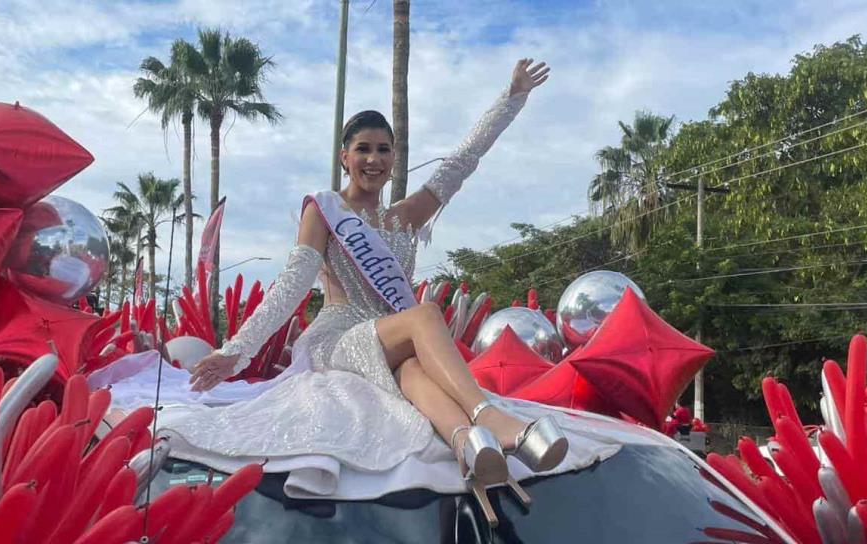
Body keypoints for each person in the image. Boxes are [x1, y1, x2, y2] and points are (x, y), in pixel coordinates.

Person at [105, 58, 618, 525]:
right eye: (364, 150)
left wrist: (511, 98)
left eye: (384, 150)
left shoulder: (403, 215)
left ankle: (468, 444)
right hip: (339, 339)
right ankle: (492, 418)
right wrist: (235, 351)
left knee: (416, 369)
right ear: (345, 156)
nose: (374, 159)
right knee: (425, 317)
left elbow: (462, 161)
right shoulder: (323, 210)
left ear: (394, 158)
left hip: (393, 341)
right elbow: (292, 285)